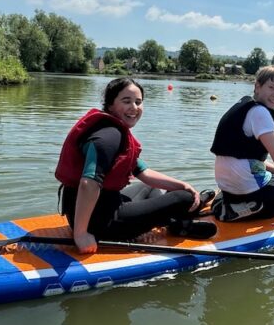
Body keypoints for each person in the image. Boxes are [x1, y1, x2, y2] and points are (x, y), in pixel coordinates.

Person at [55, 78, 215, 254]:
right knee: (185, 198)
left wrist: (183, 185)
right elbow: (89, 183)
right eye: (126, 101)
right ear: (110, 105)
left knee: (150, 187)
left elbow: (143, 172)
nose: (134, 107)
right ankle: (178, 223)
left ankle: (173, 221)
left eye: (138, 102)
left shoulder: (108, 128)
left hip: (93, 209)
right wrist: (81, 234)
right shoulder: (110, 136)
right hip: (101, 223)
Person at [210, 65, 274, 221]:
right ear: (257, 86)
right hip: (244, 184)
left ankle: (230, 201)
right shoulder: (260, 113)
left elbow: (251, 159)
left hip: (228, 184)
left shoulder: (243, 106)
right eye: (272, 87)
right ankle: (241, 209)